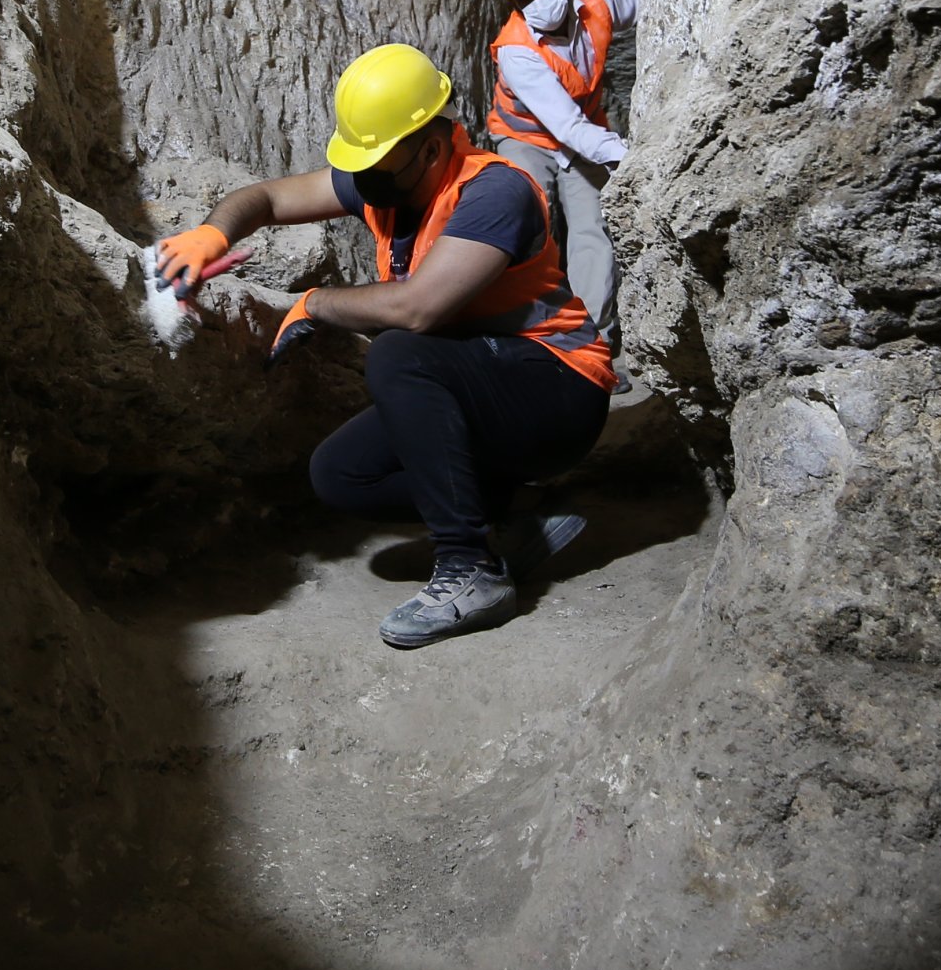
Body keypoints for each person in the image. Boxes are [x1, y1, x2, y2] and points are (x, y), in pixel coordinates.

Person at [153, 43, 613, 648]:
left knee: (399, 350)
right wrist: (215, 231)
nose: (364, 183)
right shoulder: (390, 179)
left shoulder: (494, 193)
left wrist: (317, 303)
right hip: (486, 385)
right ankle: (514, 520)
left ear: (430, 147)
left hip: (560, 390)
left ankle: (469, 567)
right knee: (341, 474)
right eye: (360, 166)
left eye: (378, 168)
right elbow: (265, 198)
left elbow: (415, 308)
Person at [484, 0, 640, 342]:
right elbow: (565, 125)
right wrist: (630, 156)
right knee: (528, 224)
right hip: (527, 139)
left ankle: (590, 345)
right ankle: (531, 337)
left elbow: (655, 0)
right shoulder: (517, 50)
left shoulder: (594, 2)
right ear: (512, 1)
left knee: (595, 229)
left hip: (584, 133)